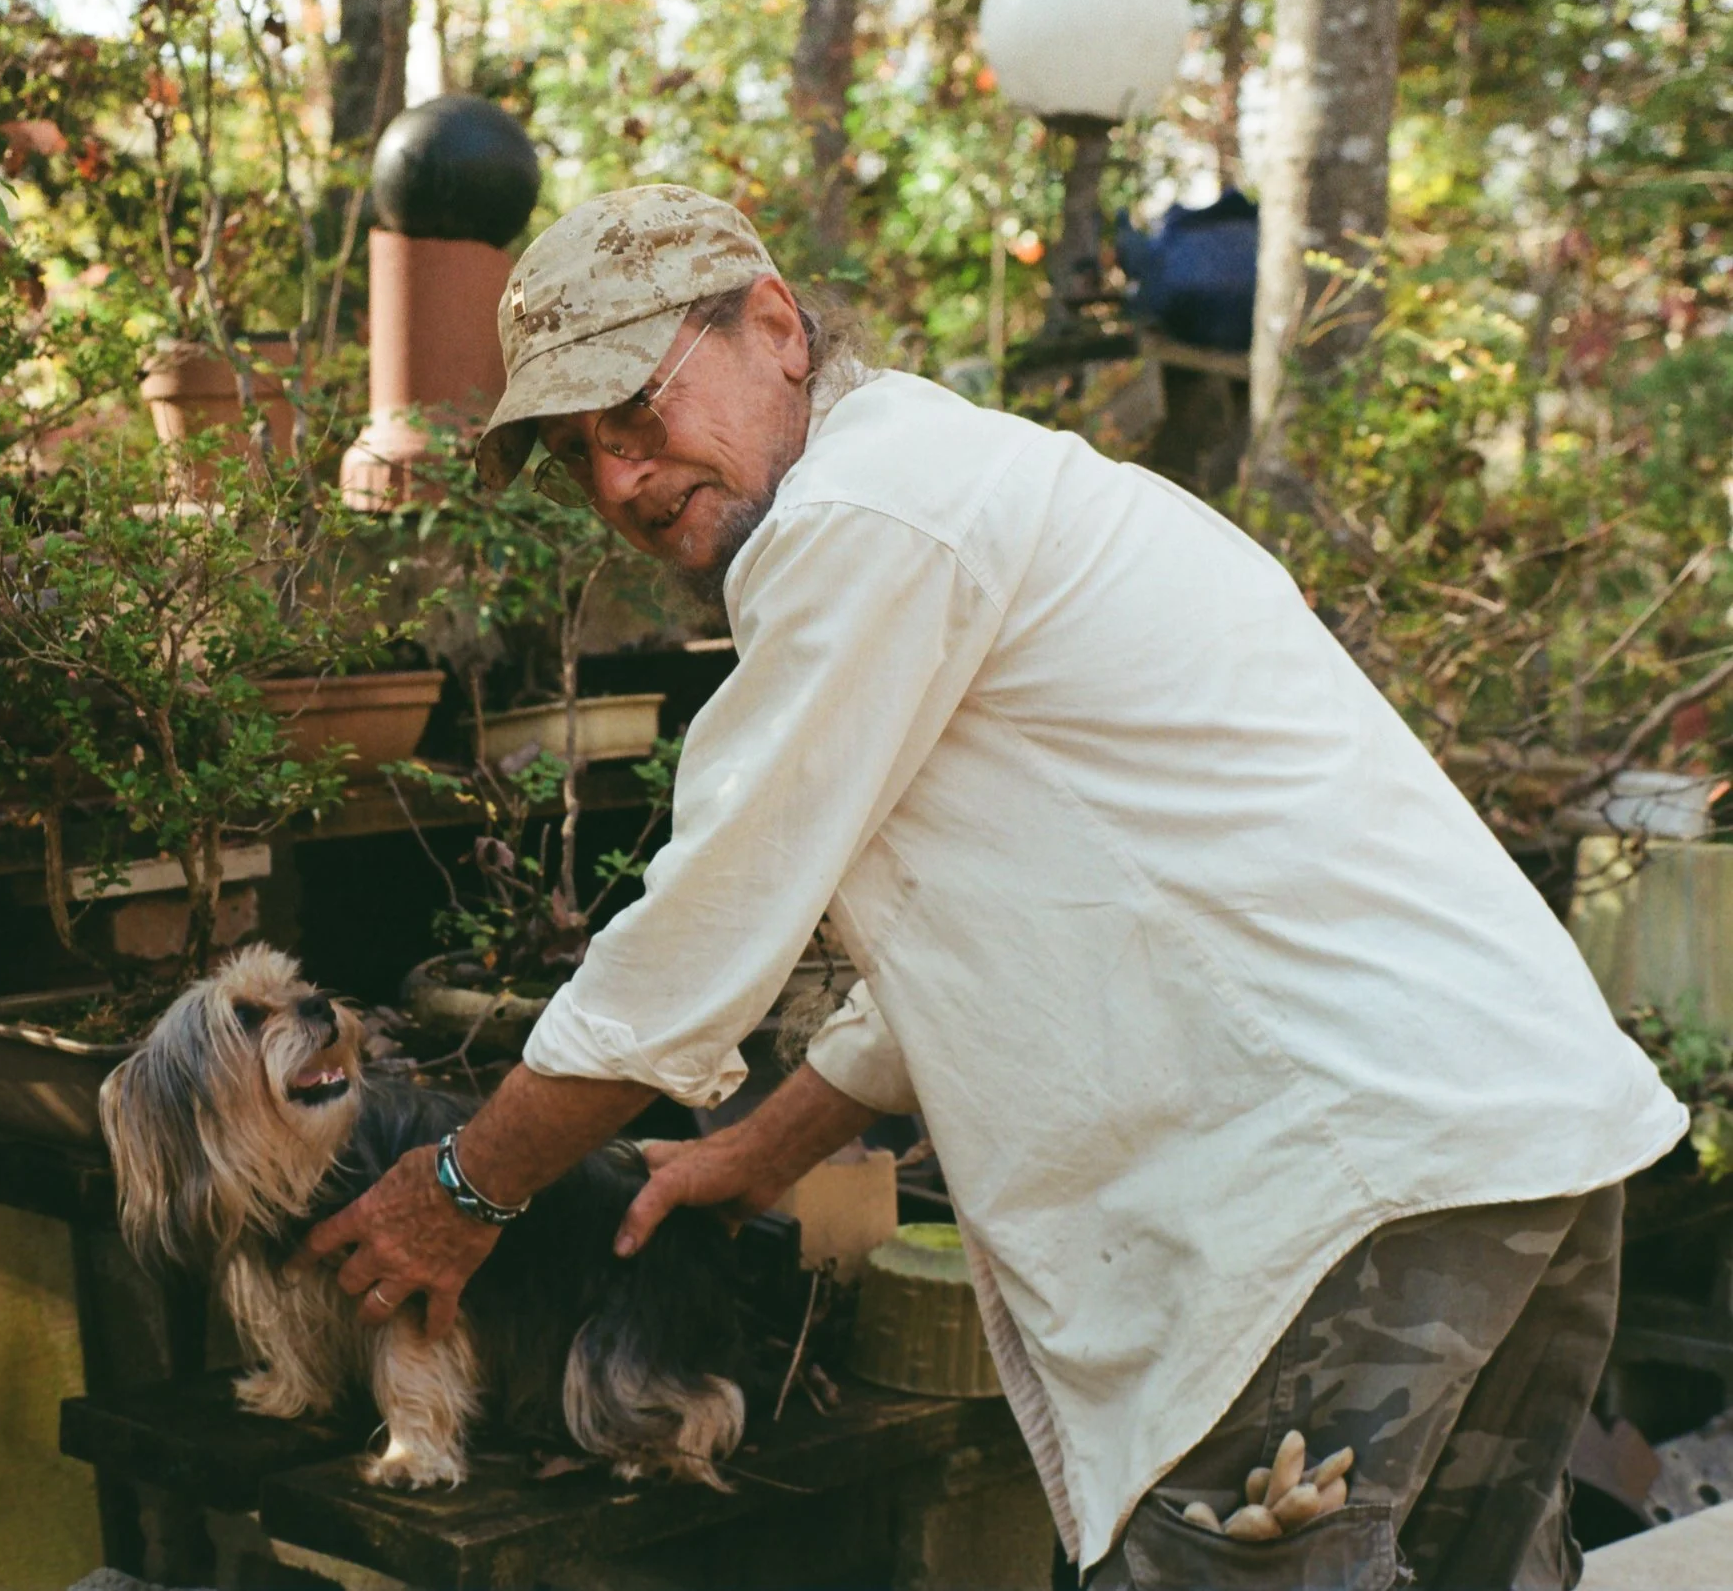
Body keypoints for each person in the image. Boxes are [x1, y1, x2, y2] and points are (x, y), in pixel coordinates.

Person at [300, 184, 1686, 1587]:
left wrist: (464, 1187)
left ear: (774, 325)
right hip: (1514, 1140)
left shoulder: (863, 518)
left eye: (638, 412)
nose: (617, 482)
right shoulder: (954, 489)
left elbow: (697, 932)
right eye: (573, 455)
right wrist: (758, 1150)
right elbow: (993, 928)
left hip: (1357, 1193)